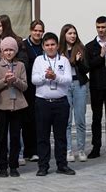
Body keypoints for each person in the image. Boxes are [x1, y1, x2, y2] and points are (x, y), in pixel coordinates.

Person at [32, 32, 75, 176]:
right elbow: (34, 79)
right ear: (43, 47)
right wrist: (46, 76)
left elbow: (68, 79)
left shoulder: (64, 60)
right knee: (42, 136)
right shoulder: (39, 60)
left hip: (61, 103)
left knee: (60, 136)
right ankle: (43, 166)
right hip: (42, 103)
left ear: (57, 45)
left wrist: (55, 77)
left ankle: (62, 165)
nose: (50, 48)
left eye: (53, 45)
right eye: (47, 45)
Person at [0, 37, 28, 177]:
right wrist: (4, 81)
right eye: (6, 50)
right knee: (2, 137)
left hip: (17, 105)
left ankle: (14, 165)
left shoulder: (20, 66)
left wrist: (16, 80)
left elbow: (24, 86)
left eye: (11, 50)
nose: (8, 53)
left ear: (15, 51)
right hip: (1, 106)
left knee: (15, 136)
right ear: (1, 51)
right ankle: (2, 166)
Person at [84, 16, 106, 158]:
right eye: (98, 27)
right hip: (96, 86)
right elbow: (87, 66)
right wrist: (101, 56)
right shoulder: (90, 46)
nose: (101, 30)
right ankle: (96, 148)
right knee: (96, 118)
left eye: (103, 27)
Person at [58, 24, 89, 162]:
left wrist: (78, 62)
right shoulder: (59, 51)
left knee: (80, 119)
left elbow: (86, 69)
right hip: (65, 86)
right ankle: (68, 150)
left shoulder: (81, 49)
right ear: (64, 35)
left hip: (79, 85)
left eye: (74, 33)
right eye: (70, 33)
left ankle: (81, 150)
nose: (72, 36)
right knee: (67, 120)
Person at [21, 19, 45, 163]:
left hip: (42, 86)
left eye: (40, 30)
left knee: (39, 120)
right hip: (27, 87)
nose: (38, 33)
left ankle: (36, 150)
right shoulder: (23, 45)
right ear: (31, 31)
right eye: (35, 30)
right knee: (27, 120)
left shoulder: (45, 45)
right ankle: (27, 150)